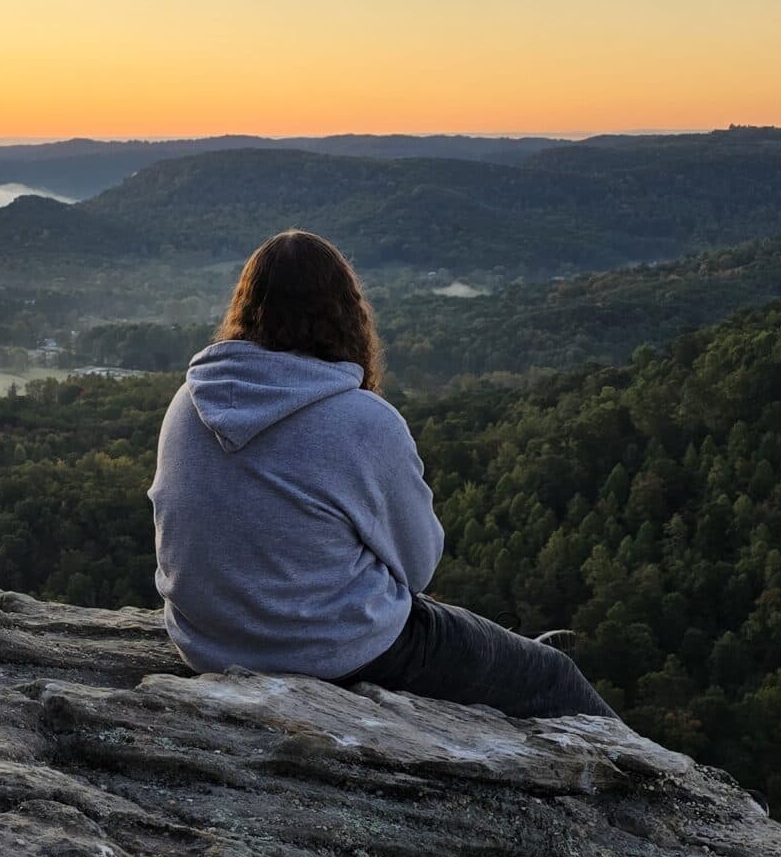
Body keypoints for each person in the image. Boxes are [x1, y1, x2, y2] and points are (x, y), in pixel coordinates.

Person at [148, 229, 618, 721]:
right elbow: (417, 569)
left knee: (476, 639)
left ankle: (514, 651)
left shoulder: (190, 399)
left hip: (206, 644)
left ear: (245, 306)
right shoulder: (363, 421)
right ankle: (669, 785)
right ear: (346, 312)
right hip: (333, 653)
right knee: (553, 675)